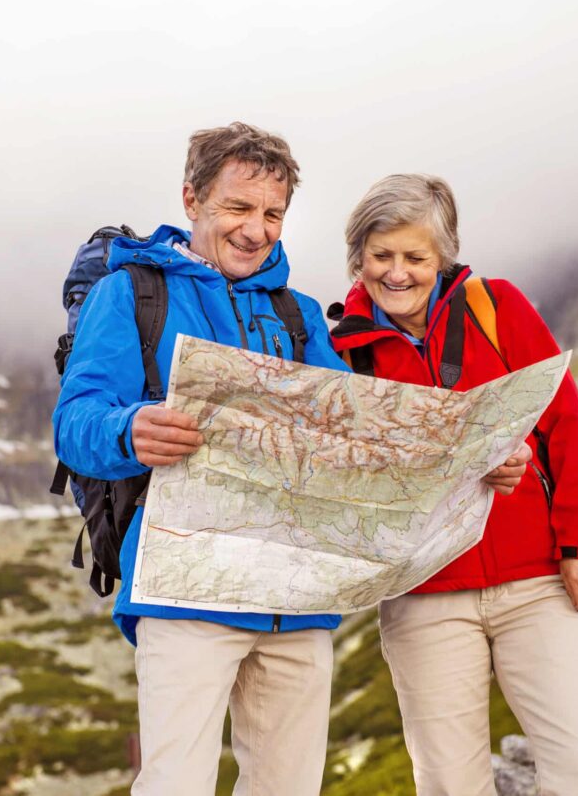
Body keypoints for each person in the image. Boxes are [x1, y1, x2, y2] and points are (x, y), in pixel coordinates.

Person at [53, 122, 350, 796]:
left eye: (273, 214)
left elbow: (347, 430)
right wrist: (131, 429)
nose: (257, 229)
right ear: (193, 200)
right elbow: (74, 423)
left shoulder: (299, 314)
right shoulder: (132, 292)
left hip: (294, 601)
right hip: (181, 591)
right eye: (239, 208)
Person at [329, 174, 578, 796]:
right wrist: (460, 462)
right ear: (359, 261)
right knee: (450, 785)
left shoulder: (499, 307)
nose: (398, 273)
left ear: (442, 256)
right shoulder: (343, 355)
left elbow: (565, 422)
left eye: (415, 256)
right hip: (424, 597)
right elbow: (348, 480)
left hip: (538, 582)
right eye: (382, 256)